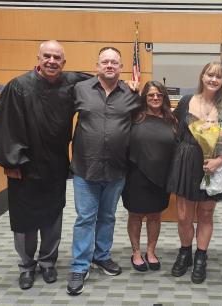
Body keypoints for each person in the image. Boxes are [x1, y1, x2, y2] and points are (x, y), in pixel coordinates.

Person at [0, 40, 91, 290]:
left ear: (64, 62)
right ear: (38, 58)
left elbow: (100, 82)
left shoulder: (71, 82)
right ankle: (27, 266)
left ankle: (48, 262)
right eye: (47, 56)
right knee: (25, 220)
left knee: (53, 216)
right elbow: (5, 125)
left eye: (57, 57)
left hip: (55, 163)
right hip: (24, 166)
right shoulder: (18, 87)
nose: (52, 61)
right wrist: (10, 162)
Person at [66, 46, 140, 295]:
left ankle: (101, 255)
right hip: (85, 168)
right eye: (105, 62)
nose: (109, 65)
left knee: (108, 217)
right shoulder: (80, 90)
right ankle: (79, 266)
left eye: (114, 62)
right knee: (85, 218)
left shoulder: (131, 94)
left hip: (117, 169)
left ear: (121, 67)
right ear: (97, 66)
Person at [167, 62, 222, 284]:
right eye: (210, 75)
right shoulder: (187, 101)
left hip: (213, 164)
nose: (213, 80)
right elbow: (174, 130)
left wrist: (219, 160)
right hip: (186, 163)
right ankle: (185, 252)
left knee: (206, 214)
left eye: (218, 77)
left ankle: (201, 257)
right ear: (202, 76)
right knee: (183, 216)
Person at [122, 81, 177, 272]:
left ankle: (151, 251)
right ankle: (136, 252)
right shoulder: (135, 116)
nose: (155, 98)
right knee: (135, 215)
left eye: (159, 95)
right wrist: (129, 88)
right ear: (144, 97)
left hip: (162, 175)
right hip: (136, 174)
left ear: (164, 98)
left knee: (155, 215)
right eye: (151, 95)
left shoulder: (171, 119)